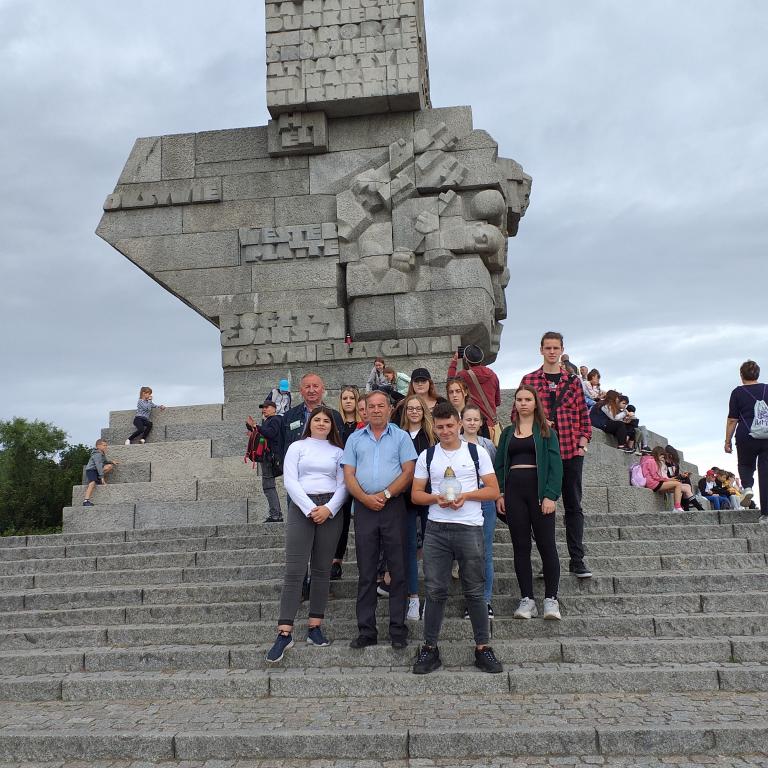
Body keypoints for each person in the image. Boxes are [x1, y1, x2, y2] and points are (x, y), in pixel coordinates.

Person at [410, 402, 502, 675]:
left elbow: (494, 490)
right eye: (440, 427)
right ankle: (430, 648)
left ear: (460, 424)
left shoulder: (476, 452)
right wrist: (435, 498)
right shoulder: (427, 456)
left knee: (474, 590)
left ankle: (483, 647)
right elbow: (416, 494)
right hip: (437, 528)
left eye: (450, 425)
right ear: (434, 427)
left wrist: (467, 496)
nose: (446, 431)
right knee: (436, 590)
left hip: (469, 526)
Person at [265, 406, 348, 663]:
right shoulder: (297, 448)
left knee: (322, 570)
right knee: (295, 570)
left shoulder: (338, 452)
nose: (322, 424)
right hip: (302, 508)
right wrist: (311, 508)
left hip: (330, 510)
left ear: (332, 426)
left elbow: (344, 484)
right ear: (310, 423)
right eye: (318, 420)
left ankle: (314, 627)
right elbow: (290, 481)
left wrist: (328, 509)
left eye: (326, 421)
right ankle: (284, 632)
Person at [342, 390, 417, 649]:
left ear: (388, 409)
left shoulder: (401, 436)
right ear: (365, 409)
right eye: (371, 406)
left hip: (393, 506)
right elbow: (348, 474)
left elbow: (409, 472)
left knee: (397, 570)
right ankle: (366, 630)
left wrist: (385, 494)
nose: (375, 410)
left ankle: (398, 629)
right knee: (366, 570)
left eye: (380, 406)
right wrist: (363, 498)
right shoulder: (354, 439)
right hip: (363, 508)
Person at [521, 332, 593, 578]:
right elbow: (517, 416)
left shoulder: (573, 382)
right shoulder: (529, 380)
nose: (551, 352)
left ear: (562, 350)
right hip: (542, 454)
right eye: (547, 347)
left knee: (573, 506)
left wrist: (583, 443)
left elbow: (585, 416)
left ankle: (577, 559)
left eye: (556, 348)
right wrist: (538, 424)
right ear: (540, 350)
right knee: (542, 508)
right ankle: (548, 562)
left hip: (572, 452)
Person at [495, 385, 563, 620]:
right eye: (519, 399)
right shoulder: (507, 433)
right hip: (514, 494)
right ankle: (527, 600)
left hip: (539, 493)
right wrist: (500, 493)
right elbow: (500, 465)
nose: (523, 403)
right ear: (514, 403)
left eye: (527, 399)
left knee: (547, 545)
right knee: (520, 547)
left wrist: (551, 495)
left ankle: (551, 599)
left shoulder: (546, 432)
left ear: (535, 403)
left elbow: (556, 466)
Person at [399, 394, 436, 621]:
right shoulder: (399, 436)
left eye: (418, 408)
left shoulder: (432, 435)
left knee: (432, 548)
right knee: (410, 548)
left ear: (423, 411)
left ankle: (432, 596)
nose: (414, 412)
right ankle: (413, 597)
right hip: (404, 498)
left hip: (428, 495)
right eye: (410, 409)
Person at [460, 404, 497, 619]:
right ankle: (470, 599)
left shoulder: (488, 445)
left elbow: (494, 473)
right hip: (462, 501)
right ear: (461, 422)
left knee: (485, 552)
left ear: (481, 423)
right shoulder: (455, 444)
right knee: (466, 554)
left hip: (484, 500)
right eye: (468, 419)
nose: (472, 423)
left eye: (476, 419)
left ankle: (485, 600)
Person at [726, 360, 768, 521]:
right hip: (767, 437)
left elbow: (732, 420)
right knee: (766, 474)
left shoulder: (737, 392)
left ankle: (748, 486)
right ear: (757, 374)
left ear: (741, 375)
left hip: (746, 435)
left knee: (745, 464)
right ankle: (765, 515)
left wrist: (727, 441)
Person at [330, 386, 365, 580]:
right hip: (340, 479)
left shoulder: (363, 426)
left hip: (360, 478)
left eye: (352, 398)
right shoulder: (336, 424)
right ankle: (336, 561)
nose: (349, 401)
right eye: (345, 398)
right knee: (340, 522)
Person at [447, 345, 501, 440]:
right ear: (482, 358)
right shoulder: (493, 375)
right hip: (492, 427)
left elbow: (450, 383)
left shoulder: (464, 375)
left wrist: (454, 360)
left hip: (475, 427)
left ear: (466, 360)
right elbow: (497, 402)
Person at [246, 401, 284, 523]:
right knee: (268, 486)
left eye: (267, 407)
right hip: (268, 456)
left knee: (268, 486)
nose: (264, 409)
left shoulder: (276, 419)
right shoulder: (269, 421)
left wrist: (256, 426)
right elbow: (264, 436)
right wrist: (253, 431)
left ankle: (276, 515)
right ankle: (276, 514)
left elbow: (271, 434)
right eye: (263, 408)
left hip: (270, 457)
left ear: (275, 408)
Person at [640, 447, 685, 511]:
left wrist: (669, 480)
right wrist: (668, 480)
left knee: (679, 489)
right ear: (657, 454)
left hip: (653, 482)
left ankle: (678, 506)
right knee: (678, 484)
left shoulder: (650, 460)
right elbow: (655, 476)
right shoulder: (651, 461)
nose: (663, 458)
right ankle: (677, 507)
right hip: (653, 483)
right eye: (662, 456)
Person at [664, 445, 703, 511]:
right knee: (686, 487)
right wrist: (680, 476)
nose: (671, 459)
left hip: (674, 481)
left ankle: (688, 506)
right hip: (667, 482)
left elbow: (675, 476)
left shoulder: (675, 464)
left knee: (687, 481)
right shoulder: (664, 463)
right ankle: (693, 507)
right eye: (670, 457)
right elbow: (666, 477)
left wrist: (682, 476)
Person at [82, 439, 118, 506]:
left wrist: (111, 462)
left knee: (109, 466)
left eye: (106, 445)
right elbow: (98, 465)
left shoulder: (102, 453)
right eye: (104, 445)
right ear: (98, 446)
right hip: (91, 470)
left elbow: (104, 462)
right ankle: (86, 500)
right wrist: (102, 477)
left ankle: (97, 479)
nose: (106, 447)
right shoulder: (97, 454)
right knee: (92, 483)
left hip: (97, 470)